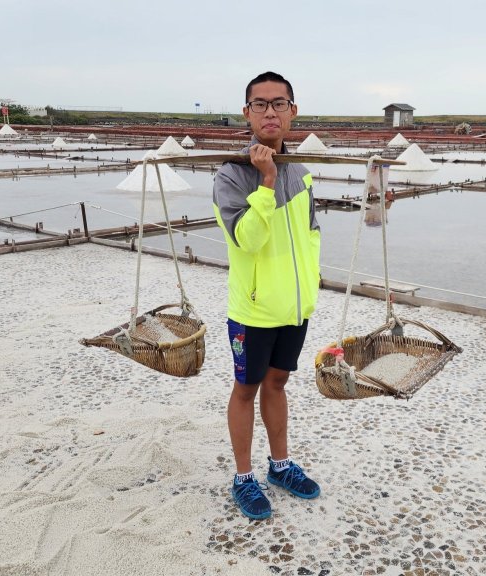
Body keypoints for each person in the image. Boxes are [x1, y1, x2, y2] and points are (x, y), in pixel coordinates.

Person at [212, 72, 321, 520]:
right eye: (261, 104)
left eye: (279, 103)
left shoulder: (303, 170)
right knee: (246, 389)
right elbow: (247, 240)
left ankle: (279, 465)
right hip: (253, 310)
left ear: (293, 111)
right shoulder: (230, 174)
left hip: (293, 308)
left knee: (278, 384)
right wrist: (265, 180)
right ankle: (243, 477)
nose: (270, 112)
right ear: (247, 113)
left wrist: (309, 290)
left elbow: (310, 235)